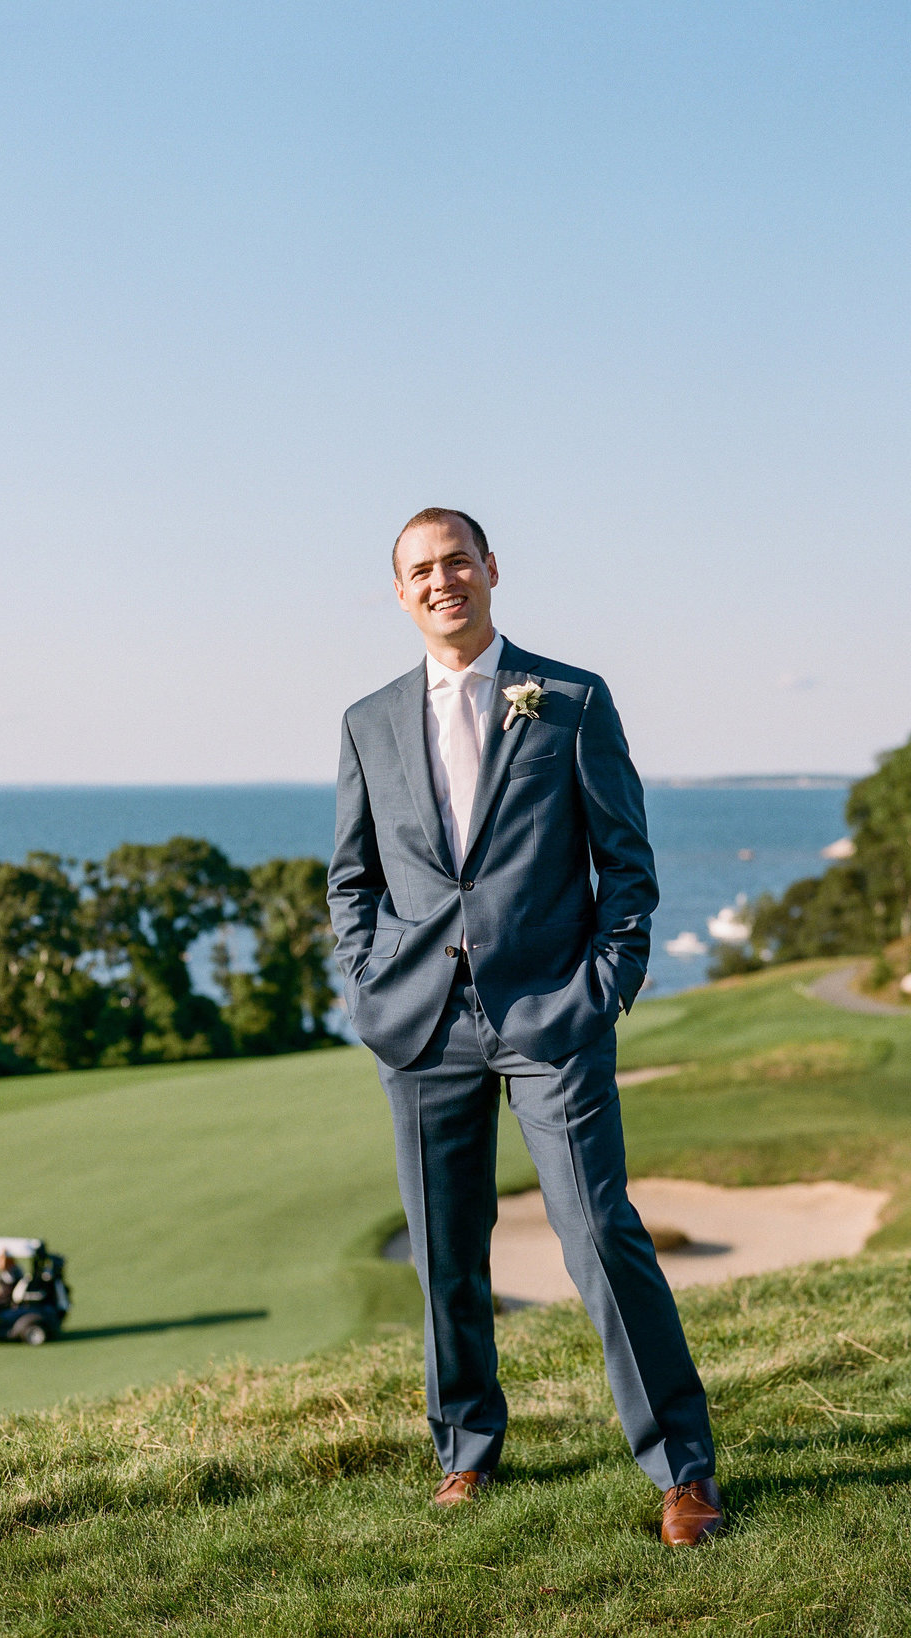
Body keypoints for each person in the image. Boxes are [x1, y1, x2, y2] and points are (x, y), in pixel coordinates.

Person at [327, 507, 721, 1546]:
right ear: (400, 590)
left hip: (555, 1016)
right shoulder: (367, 722)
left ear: (493, 569)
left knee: (599, 1234)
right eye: (419, 569)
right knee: (447, 1253)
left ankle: (682, 1471)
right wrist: (371, 986)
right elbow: (351, 879)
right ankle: (465, 1451)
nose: (441, 579)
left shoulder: (573, 700)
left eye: (457, 560)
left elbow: (626, 867)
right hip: (421, 1026)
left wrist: (606, 985)